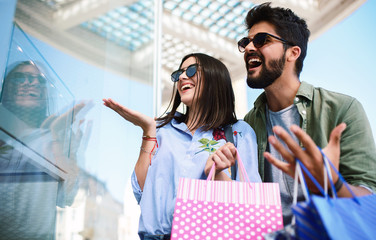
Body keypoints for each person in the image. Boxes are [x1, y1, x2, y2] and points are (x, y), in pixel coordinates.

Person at [239, 2, 376, 225]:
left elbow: (373, 203)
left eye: (262, 40)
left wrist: (333, 183)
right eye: (245, 42)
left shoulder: (342, 109)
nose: (249, 47)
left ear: (293, 52)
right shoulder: (249, 123)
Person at [103, 53, 261, 240]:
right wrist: (148, 131)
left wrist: (217, 174)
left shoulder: (238, 132)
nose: (183, 77)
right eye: (179, 74)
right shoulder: (162, 129)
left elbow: (251, 202)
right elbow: (142, 192)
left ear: (215, 78)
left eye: (192, 70)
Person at [0, 60, 88, 239]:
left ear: (45, 92)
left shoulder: (54, 140)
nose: (28, 82)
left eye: (38, 79)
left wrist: (68, 156)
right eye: (19, 78)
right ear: (7, 88)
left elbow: (69, 198)